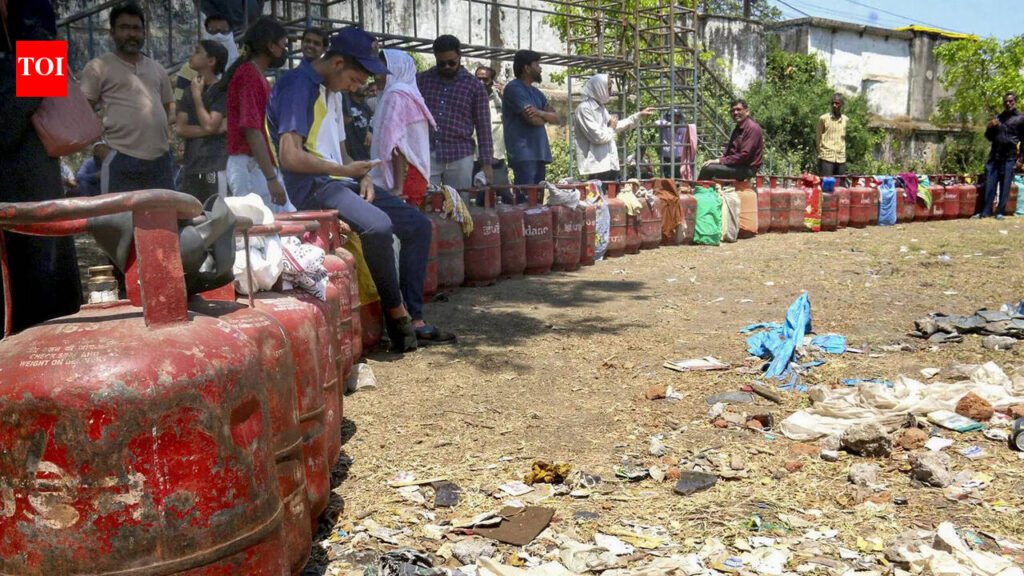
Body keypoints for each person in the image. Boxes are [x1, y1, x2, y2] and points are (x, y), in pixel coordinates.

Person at [266, 27, 455, 352]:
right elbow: (290, 155)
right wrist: (342, 171)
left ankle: (415, 317)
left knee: (418, 226)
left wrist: (362, 176)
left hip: (339, 180)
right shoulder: (299, 86)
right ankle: (395, 315)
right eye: (356, 79)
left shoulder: (331, 91)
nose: (359, 87)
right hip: (311, 186)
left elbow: (340, 153)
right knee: (378, 226)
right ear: (338, 63)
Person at [0, 0, 82, 335]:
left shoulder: (33, 7)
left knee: (39, 264)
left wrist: (4, 123)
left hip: (26, 161)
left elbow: (45, 65)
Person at [81, 2, 175, 194]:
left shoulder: (157, 69)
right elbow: (81, 112)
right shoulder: (98, 67)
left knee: (164, 221)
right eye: (124, 28)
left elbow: (168, 108)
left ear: (144, 34)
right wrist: (98, 146)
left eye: (136, 29)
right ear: (112, 32)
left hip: (161, 162)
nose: (131, 34)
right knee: (120, 221)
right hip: (120, 161)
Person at [223, 16, 294, 212]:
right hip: (251, 165)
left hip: (259, 165)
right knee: (261, 232)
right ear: (271, 46)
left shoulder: (256, 75)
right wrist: (271, 178)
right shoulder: (248, 76)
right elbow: (252, 130)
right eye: (283, 45)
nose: (284, 51)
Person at [417, 35, 494, 191]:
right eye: (442, 63)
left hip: (460, 155)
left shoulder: (474, 87)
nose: (447, 66)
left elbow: (483, 127)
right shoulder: (421, 80)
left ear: (460, 56)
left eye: (451, 62)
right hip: (427, 153)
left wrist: (486, 164)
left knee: (459, 208)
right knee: (425, 205)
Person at [369, 49, 436, 208]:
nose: (377, 76)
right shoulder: (411, 94)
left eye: (382, 71)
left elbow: (396, 143)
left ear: (396, 70)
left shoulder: (396, 95)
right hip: (416, 174)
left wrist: (397, 188)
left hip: (401, 179)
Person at [175, 40, 230, 204]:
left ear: (211, 61)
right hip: (191, 165)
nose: (191, 54)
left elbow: (209, 124)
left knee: (217, 217)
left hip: (214, 165)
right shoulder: (187, 91)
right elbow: (180, 128)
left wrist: (198, 97)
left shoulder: (221, 90)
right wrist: (211, 129)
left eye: (197, 51)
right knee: (191, 218)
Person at [573, 73, 653, 182]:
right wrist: (611, 128)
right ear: (600, 88)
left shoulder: (601, 108)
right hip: (597, 166)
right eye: (608, 88)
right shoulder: (584, 109)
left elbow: (616, 126)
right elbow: (598, 137)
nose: (611, 92)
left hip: (610, 163)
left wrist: (638, 116)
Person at [503, 50, 561, 186]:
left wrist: (540, 113)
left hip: (539, 154)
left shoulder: (537, 93)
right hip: (524, 155)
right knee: (526, 202)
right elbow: (533, 120)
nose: (540, 69)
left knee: (538, 202)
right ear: (527, 68)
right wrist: (545, 117)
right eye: (537, 65)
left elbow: (557, 118)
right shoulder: (514, 88)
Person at [174, 14, 238, 104]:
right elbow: (178, 101)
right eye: (213, 30)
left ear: (231, 32)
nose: (218, 35)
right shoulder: (189, 68)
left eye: (223, 30)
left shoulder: (240, 65)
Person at [976, 92, 1020, 220]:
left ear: (1015, 102)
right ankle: (986, 211)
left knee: (1005, 185)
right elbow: (989, 138)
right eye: (1006, 101)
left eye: (1010, 101)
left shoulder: (1020, 119)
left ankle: (1000, 212)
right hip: (995, 156)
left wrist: (1021, 159)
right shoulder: (998, 118)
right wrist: (989, 127)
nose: (1008, 103)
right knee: (990, 183)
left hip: (1010, 157)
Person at [697, 98, 763, 182]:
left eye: (738, 109)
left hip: (747, 168)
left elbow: (745, 155)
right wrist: (719, 160)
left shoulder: (752, 128)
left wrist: (720, 161)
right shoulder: (737, 129)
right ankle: (707, 190)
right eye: (732, 111)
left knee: (708, 169)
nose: (735, 113)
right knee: (709, 164)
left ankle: (698, 191)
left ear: (747, 112)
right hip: (737, 165)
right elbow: (729, 151)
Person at [475, 66, 509, 188]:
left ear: (492, 81)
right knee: (472, 195)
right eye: (478, 79)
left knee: (503, 194)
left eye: (485, 79)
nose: (481, 83)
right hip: (474, 157)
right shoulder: (470, 98)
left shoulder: (500, 99)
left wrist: (504, 96)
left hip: (496, 157)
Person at [816, 93, 848, 177]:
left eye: (837, 103)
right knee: (827, 184)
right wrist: (821, 152)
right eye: (833, 103)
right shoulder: (824, 118)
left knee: (840, 186)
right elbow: (818, 137)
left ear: (842, 104)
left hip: (841, 157)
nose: (834, 105)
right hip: (827, 156)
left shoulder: (845, 120)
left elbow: (844, 137)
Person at [343, 86, 374, 161]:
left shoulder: (365, 106)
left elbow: (372, 120)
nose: (365, 85)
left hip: (365, 153)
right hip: (350, 155)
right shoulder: (345, 106)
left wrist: (370, 131)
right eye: (361, 83)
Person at [654, 109, 685, 179]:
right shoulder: (665, 125)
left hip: (678, 156)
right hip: (667, 156)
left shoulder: (682, 127)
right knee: (668, 176)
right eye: (674, 116)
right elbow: (656, 122)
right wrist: (670, 125)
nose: (676, 118)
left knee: (678, 176)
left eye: (677, 116)